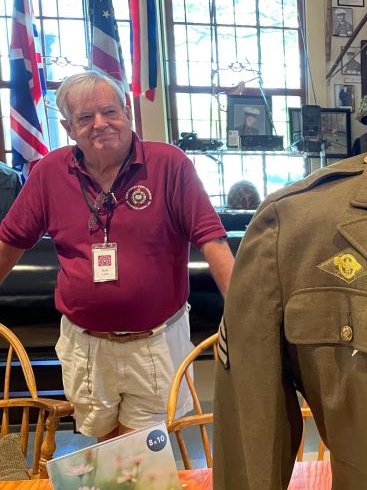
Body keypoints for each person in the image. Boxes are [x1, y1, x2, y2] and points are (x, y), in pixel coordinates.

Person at [0, 71, 234, 442]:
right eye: (85, 118)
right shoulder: (48, 174)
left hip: (156, 342)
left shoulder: (169, 165)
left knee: (142, 456)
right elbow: (9, 241)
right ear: (67, 127)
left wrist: (243, 314)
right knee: (107, 452)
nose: (100, 124)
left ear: (127, 111)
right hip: (86, 345)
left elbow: (213, 240)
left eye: (110, 111)